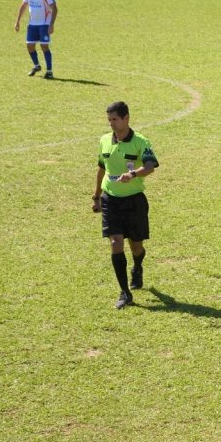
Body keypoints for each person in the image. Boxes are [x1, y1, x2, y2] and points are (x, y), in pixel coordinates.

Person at [93, 101, 159, 310]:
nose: (111, 123)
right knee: (115, 244)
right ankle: (125, 292)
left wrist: (132, 174)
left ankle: (137, 267)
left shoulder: (141, 141)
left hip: (134, 201)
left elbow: (150, 166)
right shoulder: (104, 141)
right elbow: (101, 169)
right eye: (109, 120)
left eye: (115, 119)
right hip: (110, 200)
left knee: (136, 245)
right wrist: (96, 196)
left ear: (126, 118)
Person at [14, 0, 56, 78]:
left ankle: (49, 71)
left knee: (44, 46)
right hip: (32, 24)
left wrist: (51, 24)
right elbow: (23, 6)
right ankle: (37, 66)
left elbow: (54, 9)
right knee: (30, 46)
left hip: (44, 24)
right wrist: (18, 21)